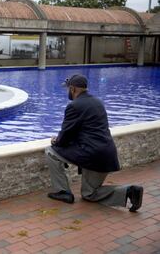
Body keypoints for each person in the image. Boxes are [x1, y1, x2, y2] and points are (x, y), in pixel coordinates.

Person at [45, 74, 144, 212]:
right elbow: (88, 130)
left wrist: (56, 140)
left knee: (51, 151)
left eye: (68, 89)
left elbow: (65, 136)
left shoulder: (74, 106)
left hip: (91, 155)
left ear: (73, 89)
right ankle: (129, 191)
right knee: (89, 194)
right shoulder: (98, 102)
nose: (68, 92)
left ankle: (63, 192)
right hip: (107, 154)